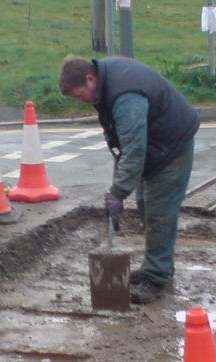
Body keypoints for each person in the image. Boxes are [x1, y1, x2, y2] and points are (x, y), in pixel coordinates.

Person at [59, 54, 199, 304]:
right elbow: (122, 146)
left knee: (159, 212)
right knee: (146, 205)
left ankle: (156, 278)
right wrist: (117, 190)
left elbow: (134, 150)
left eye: (80, 95)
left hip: (172, 146)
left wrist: (118, 192)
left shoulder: (125, 98)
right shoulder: (105, 85)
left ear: (90, 79)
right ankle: (159, 266)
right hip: (154, 146)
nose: (81, 102)